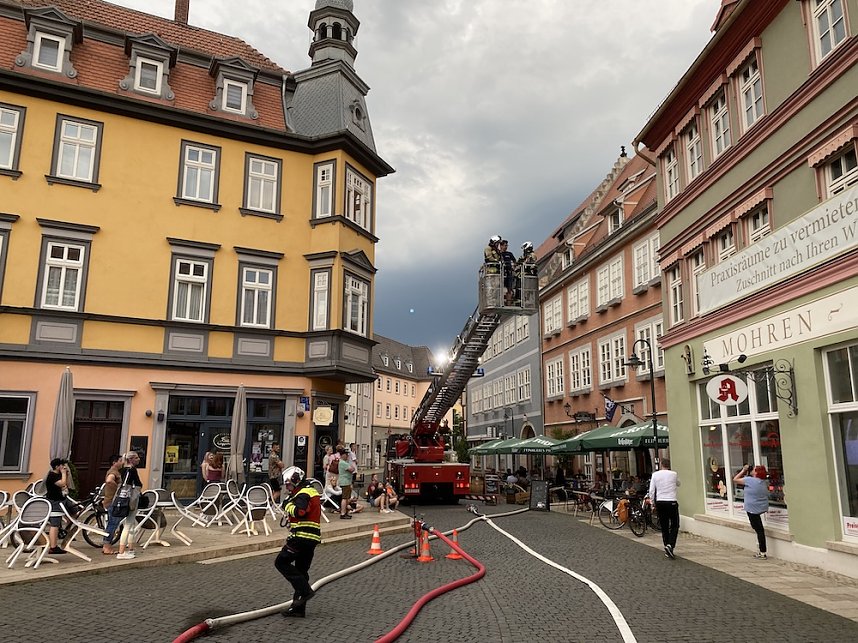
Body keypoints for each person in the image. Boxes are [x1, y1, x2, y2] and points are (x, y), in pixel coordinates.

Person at [275, 466, 321, 618]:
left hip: (301, 537)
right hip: (311, 538)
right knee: (301, 571)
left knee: (281, 562)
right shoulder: (310, 491)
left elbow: (300, 512)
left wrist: (287, 505)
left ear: (295, 480)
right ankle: (298, 608)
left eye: (288, 484)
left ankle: (306, 591)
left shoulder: (303, 494)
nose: (287, 487)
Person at [734, 464, 770, 559]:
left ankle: (762, 552)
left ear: (756, 472)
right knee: (759, 529)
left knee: (758, 529)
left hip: (752, 508)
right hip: (761, 507)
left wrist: (743, 470)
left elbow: (735, 479)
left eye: (754, 469)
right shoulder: (763, 482)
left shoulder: (749, 480)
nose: (752, 470)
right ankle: (761, 550)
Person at [648, 458, 681, 559]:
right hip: (671, 501)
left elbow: (652, 490)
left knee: (664, 525)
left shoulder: (655, 475)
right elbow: (679, 484)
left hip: (660, 502)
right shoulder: (674, 474)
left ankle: (667, 545)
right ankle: (670, 545)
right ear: (669, 465)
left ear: (661, 465)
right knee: (675, 524)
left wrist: (652, 503)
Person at [116, 450, 143, 560]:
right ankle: (121, 551)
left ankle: (130, 548)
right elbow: (126, 484)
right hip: (131, 498)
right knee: (128, 525)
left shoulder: (125, 469)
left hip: (131, 498)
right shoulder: (130, 470)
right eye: (136, 458)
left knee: (131, 524)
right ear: (130, 459)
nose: (138, 459)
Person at [45, 458, 75, 554]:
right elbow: (62, 484)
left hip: (63, 499)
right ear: (57, 467)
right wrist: (63, 474)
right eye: (62, 465)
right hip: (55, 501)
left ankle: (65, 531)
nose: (64, 467)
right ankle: (53, 547)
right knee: (55, 523)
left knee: (75, 511)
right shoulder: (52, 476)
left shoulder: (59, 475)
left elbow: (67, 485)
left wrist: (66, 474)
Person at [101, 454, 124, 555]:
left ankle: (107, 545)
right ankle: (107, 546)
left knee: (113, 523)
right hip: (112, 502)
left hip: (111, 501)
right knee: (112, 524)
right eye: (120, 461)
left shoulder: (115, 472)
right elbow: (109, 480)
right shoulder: (113, 472)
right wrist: (117, 487)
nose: (122, 462)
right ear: (114, 463)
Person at [337, 447, 356, 519]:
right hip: (345, 482)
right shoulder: (342, 463)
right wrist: (351, 467)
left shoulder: (344, 462)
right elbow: (352, 469)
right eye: (346, 454)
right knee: (345, 498)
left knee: (347, 498)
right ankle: (343, 513)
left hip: (347, 482)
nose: (347, 456)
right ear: (342, 455)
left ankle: (346, 512)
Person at [498, 240, 517, 304]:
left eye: (507, 245)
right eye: (505, 245)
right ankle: (500, 303)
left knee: (509, 289)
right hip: (501, 273)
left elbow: (514, 261)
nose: (506, 247)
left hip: (509, 273)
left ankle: (508, 303)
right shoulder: (498, 253)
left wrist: (513, 267)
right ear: (501, 246)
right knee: (499, 288)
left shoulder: (509, 254)